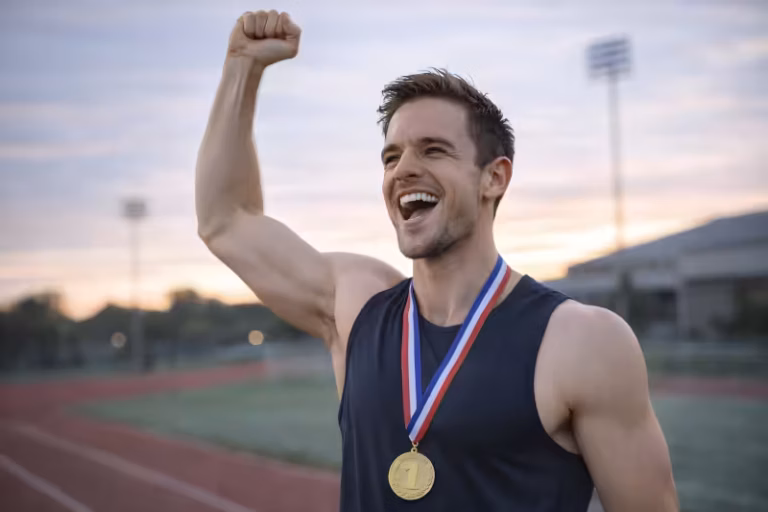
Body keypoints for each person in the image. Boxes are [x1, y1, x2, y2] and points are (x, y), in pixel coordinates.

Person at [196, 9, 679, 512]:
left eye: (433, 150)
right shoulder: (358, 306)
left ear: (494, 178)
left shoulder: (581, 340)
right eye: (391, 156)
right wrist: (241, 68)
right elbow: (226, 220)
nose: (404, 169)